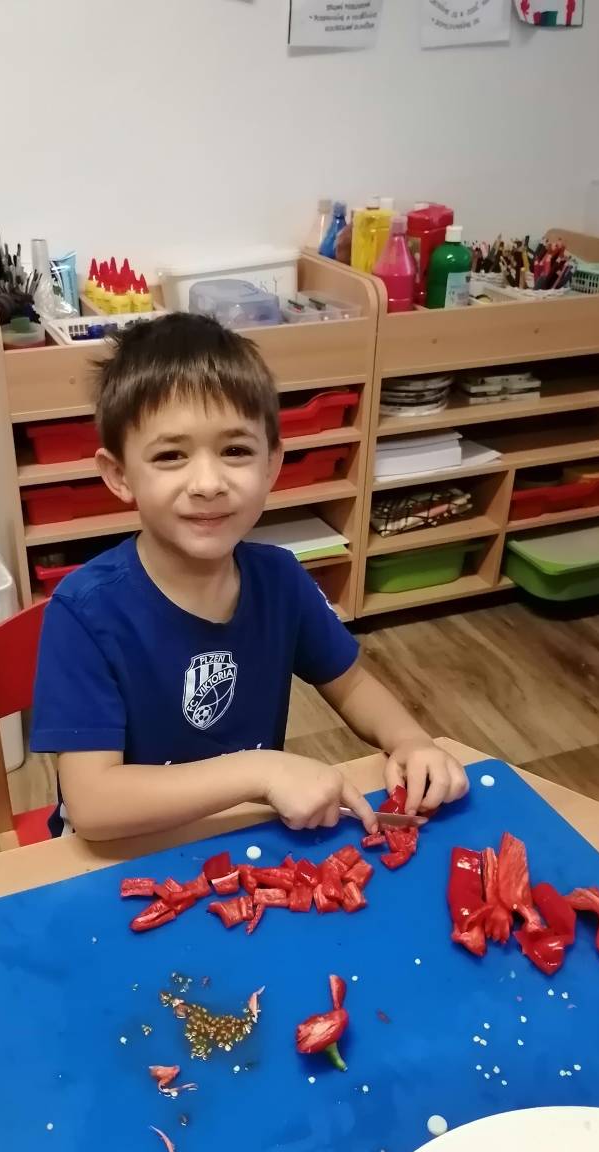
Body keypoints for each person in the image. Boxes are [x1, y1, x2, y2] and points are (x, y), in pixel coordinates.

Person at [31, 313, 468, 840]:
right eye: (170, 455)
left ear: (271, 465)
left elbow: (351, 683)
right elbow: (93, 805)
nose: (208, 483)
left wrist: (411, 740)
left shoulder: (280, 578)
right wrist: (260, 772)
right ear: (120, 475)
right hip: (127, 849)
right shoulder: (84, 612)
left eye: (235, 451)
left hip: (245, 835)